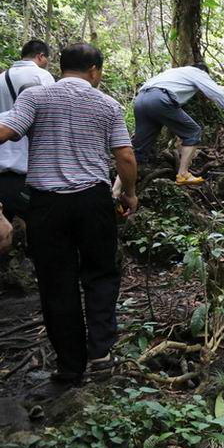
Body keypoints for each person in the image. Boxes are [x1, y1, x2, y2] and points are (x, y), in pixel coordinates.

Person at [0, 43, 137, 395]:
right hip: (93, 200)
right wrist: (129, 194)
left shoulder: (35, 97)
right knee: (101, 274)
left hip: (46, 206)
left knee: (56, 284)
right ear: (94, 70)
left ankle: (69, 370)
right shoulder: (107, 105)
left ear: (62, 68)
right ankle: (101, 356)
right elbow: (124, 156)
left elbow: (6, 131)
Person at [130, 63, 224, 185]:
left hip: (141, 99)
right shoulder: (198, 72)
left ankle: (116, 191)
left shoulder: (173, 72)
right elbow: (216, 92)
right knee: (193, 132)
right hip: (159, 99)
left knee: (139, 150)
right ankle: (183, 174)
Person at [0, 40, 55, 224]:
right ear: (40, 56)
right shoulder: (42, 76)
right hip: (29, 167)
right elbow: (52, 114)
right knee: (40, 224)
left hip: (2, 165)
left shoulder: (2, 77)